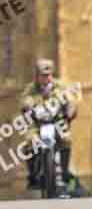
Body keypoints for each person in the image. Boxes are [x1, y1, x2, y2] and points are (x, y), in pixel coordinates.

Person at [20, 59, 79, 189]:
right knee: (29, 142)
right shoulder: (31, 88)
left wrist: (70, 110)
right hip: (36, 124)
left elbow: (70, 99)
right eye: (43, 75)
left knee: (66, 139)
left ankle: (64, 171)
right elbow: (25, 100)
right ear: (37, 76)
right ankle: (33, 176)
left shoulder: (60, 86)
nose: (46, 78)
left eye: (48, 75)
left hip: (57, 122)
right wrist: (28, 105)